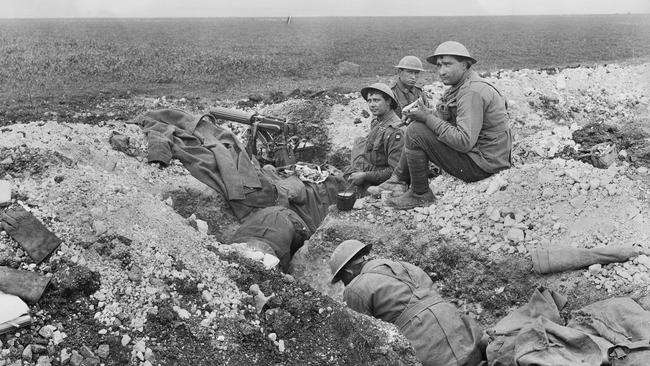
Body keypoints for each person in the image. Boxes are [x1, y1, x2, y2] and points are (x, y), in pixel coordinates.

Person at [382, 41, 511, 209]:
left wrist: (427, 119)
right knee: (418, 125)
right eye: (439, 65)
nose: (441, 71)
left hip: (483, 165)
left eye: (447, 65)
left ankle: (419, 194)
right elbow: (453, 121)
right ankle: (398, 182)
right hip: (487, 158)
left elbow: (464, 142)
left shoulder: (472, 92)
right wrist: (424, 115)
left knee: (415, 132)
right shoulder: (462, 85)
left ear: (465, 65)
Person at [330, 240, 486, 366]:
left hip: (432, 358)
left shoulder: (355, 288)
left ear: (348, 272)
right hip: (469, 345)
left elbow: (362, 340)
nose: (345, 284)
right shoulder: (404, 266)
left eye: (343, 280)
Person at [345, 83, 405, 195]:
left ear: (388, 102)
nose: (372, 105)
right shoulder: (377, 122)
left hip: (385, 179)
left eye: (376, 100)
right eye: (369, 100)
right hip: (372, 169)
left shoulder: (396, 131)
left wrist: (365, 176)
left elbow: (395, 171)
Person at [230, 206, 311, 273]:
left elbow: (283, 272)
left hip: (293, 221)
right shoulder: (234, 246)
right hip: (266, 213)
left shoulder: (282, 252)